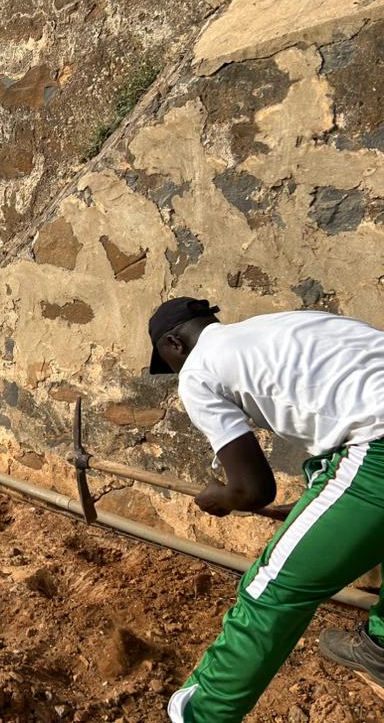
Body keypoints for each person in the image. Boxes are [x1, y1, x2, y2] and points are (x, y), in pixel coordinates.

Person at [147, 297, 384, 721]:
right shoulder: (281, 326)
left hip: (380, 448)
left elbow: (253, 489)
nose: (174, 374)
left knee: (271, 588)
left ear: (174, 344)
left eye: (167, 363)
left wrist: (218, 496)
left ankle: (203, 714)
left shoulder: (198, 370)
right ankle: (381, 647)